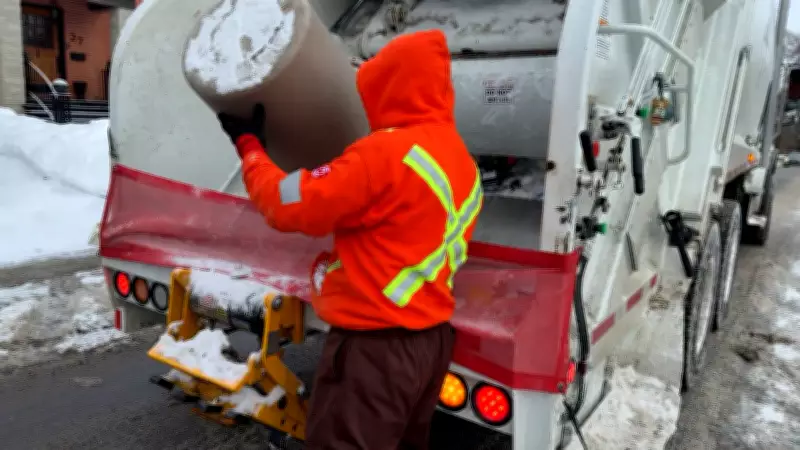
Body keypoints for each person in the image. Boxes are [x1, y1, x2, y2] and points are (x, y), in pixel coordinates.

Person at [216, 29, 483, 450]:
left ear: (390, 87)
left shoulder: (385, 154)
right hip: (430, 342)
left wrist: (250, 147)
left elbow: (289, 204)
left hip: (374, 350)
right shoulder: (460, 159)